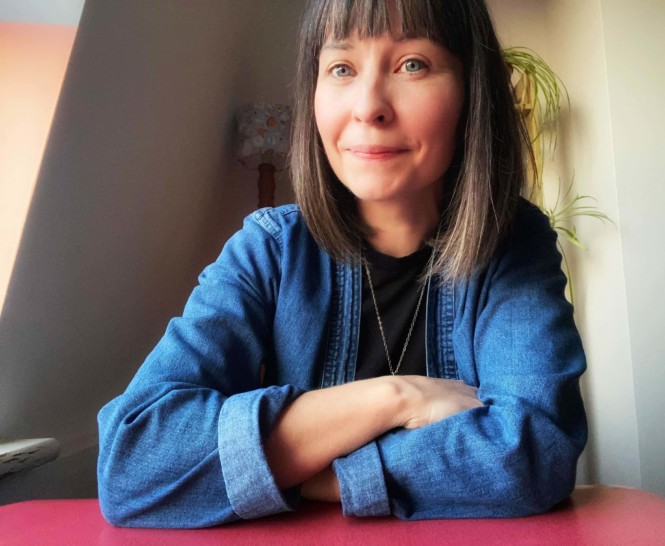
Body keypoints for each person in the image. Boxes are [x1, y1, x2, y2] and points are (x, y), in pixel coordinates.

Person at [97, 0, 587, 529]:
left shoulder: (515, 243)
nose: (368, 106)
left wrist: (303, 473)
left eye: (412, 64)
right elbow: (133, 460)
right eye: (341, 69)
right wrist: (396, 397)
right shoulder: (269, 249)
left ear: (473, 92)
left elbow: (534, 452)